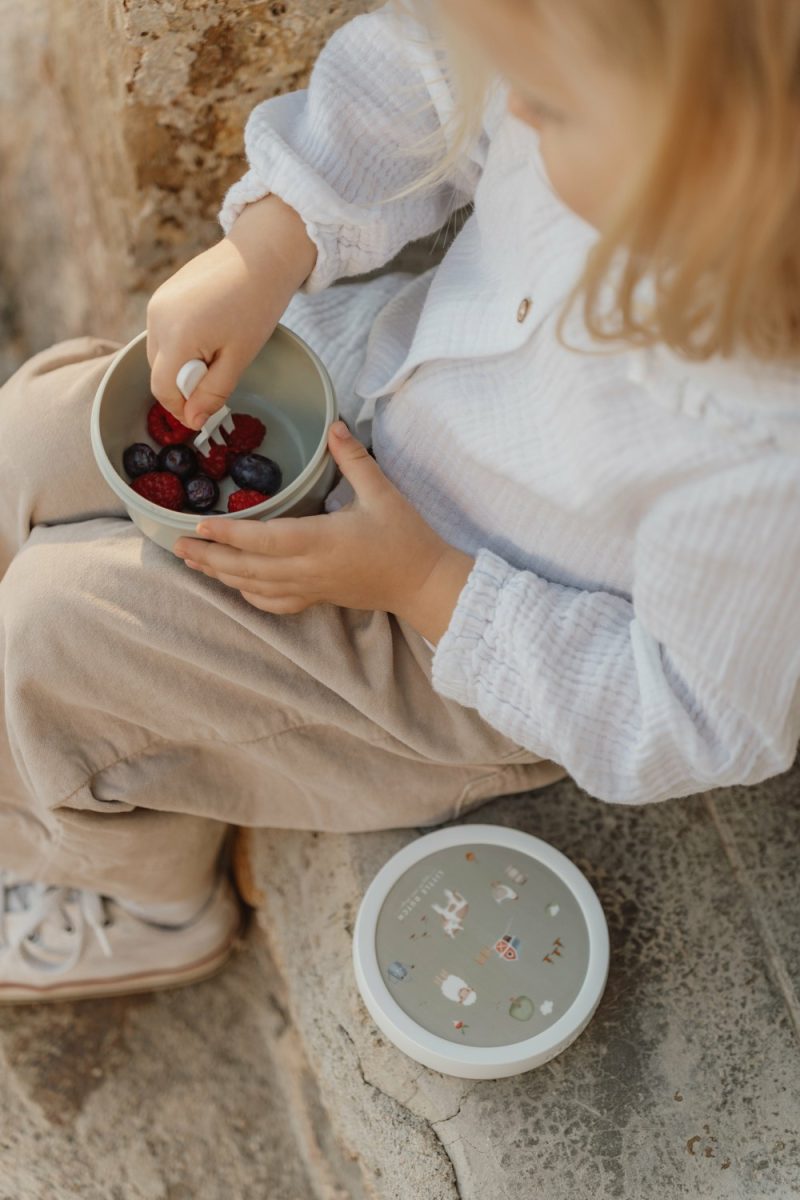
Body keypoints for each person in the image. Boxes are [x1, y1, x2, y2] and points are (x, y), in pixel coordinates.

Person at [1, 0, 798, 1001]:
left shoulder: (762, 468)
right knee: (27, 437)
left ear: (717, 165)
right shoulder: (598, 67)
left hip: (442, 643)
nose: (515, 108)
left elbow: (696, 719)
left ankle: (140, 899)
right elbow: (431, 72)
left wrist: (424, 582)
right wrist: (274, 238)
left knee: (50, 636)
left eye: (541, 104)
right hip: (359, 393)